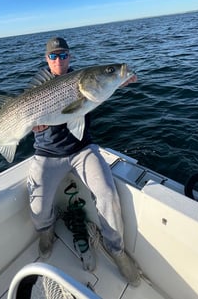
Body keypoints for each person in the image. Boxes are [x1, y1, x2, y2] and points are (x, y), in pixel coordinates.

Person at [27, 37, 141, 287]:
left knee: (108, 195)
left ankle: (117, 251)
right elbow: (28, 120)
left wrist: (119, 79)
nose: (59, 60)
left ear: (70, 56)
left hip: (82, 149)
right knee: (37, 209)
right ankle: (46, 231)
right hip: (46, 155)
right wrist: (34, 126)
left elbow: (99, 86)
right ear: (47, 59)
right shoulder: (37, 89)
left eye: (63, 55)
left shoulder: (84, 80)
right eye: (54, 56)